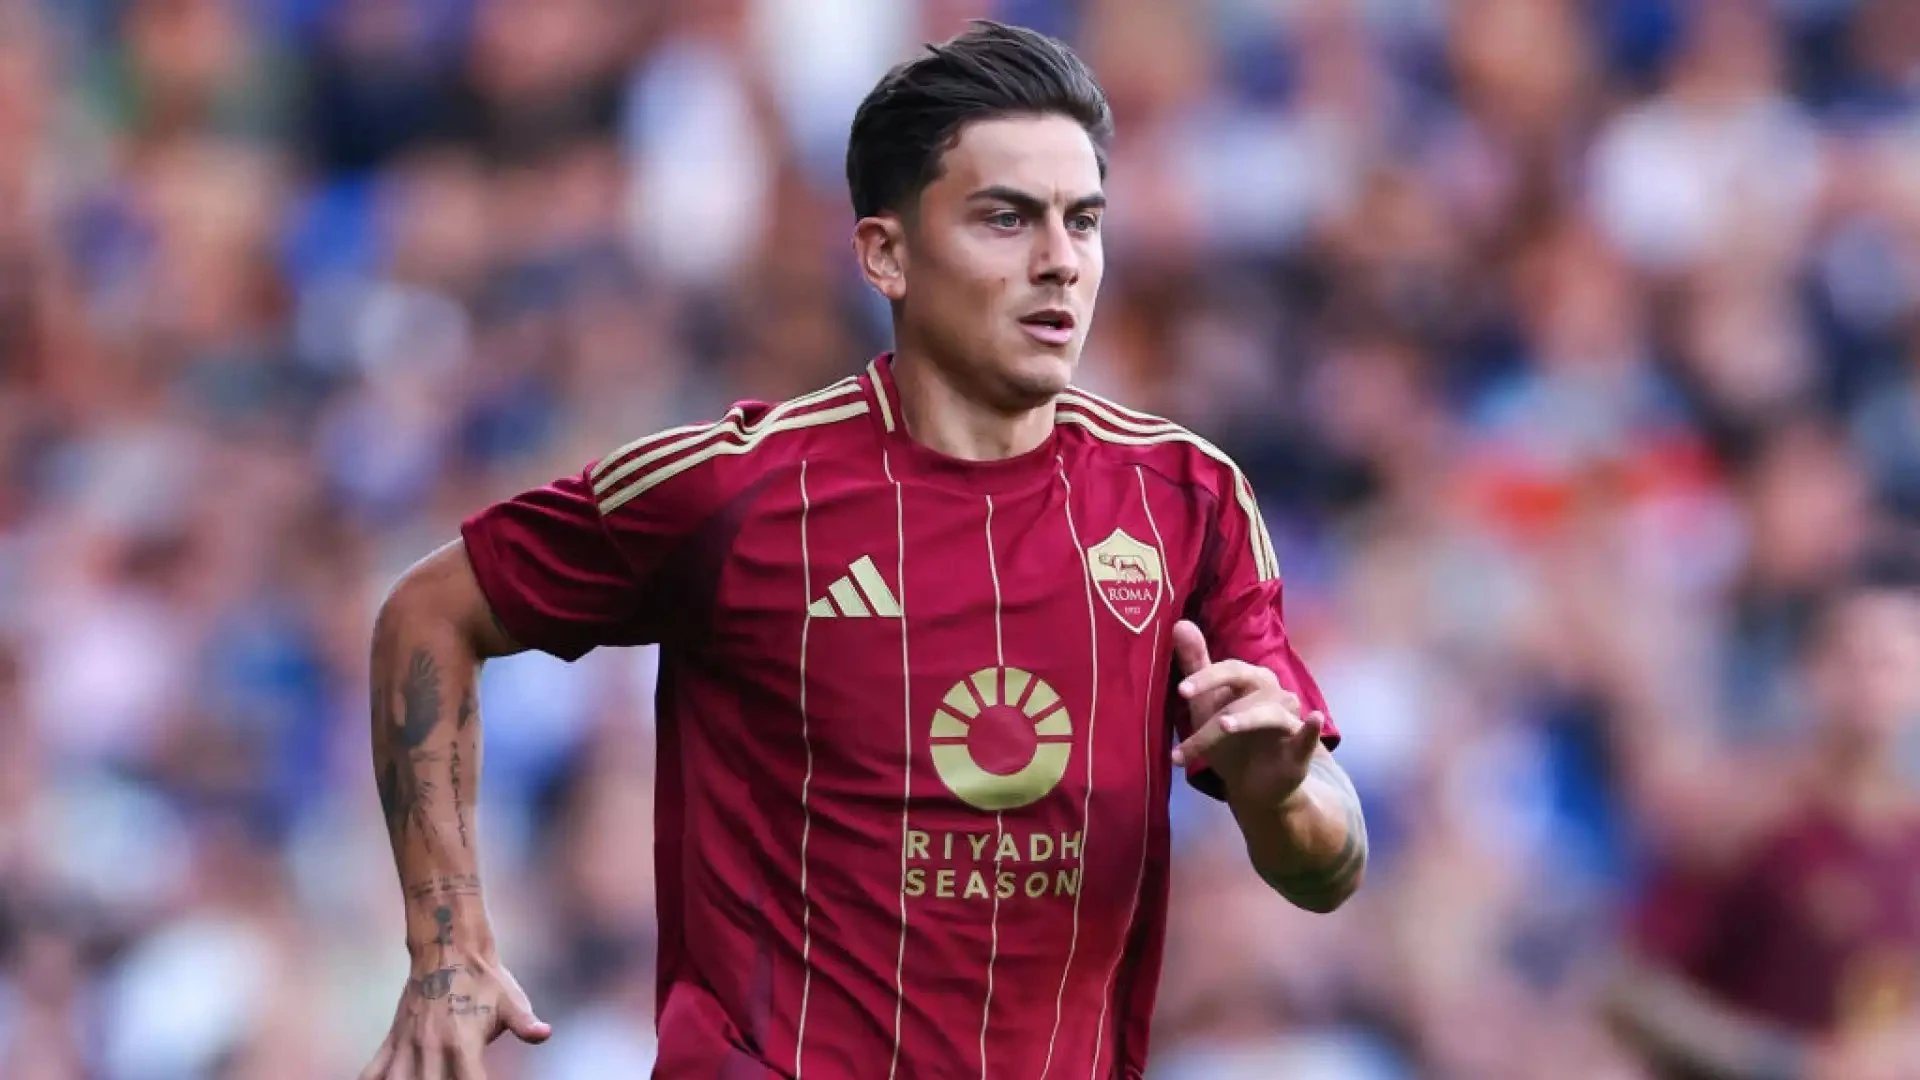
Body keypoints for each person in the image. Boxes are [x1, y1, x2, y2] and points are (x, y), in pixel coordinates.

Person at [356, 21, 1367, 1080]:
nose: (1060, 262)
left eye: (1083, 220)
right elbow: (431, 611)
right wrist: (446, 948)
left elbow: (1328, 868)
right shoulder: (735, 491)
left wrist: (1277, 796)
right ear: (886, 254)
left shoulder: (1186, 500)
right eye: (1006, 218)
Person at [1608, 547, 1920, 1080]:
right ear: (1813, 671)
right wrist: (1783, 1063)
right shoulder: (1747, 818)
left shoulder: (1908, 839)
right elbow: (1630, 991)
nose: (1872, 687)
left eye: (1891, 663)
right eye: (1853, 660)